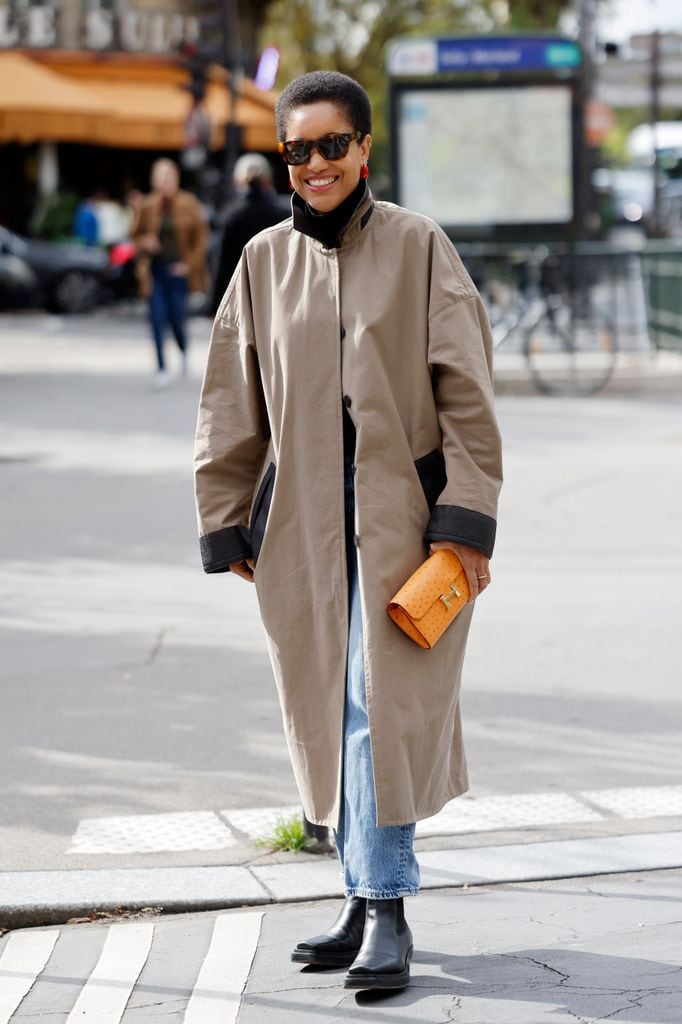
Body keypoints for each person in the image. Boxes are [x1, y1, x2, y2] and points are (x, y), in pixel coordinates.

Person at [194, 71, 503, 991]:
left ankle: (388, 907)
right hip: (299, 532)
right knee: (330, 708)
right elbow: (229, 400)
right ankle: (358, 895)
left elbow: (469, 398)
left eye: (334, 145)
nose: (317, 164)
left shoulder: (419, 249)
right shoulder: (261, 262)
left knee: (379, 711)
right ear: (284, 159)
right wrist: (226, 517)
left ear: (365, 149)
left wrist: (467, 521)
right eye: (299, 150)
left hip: (408, 530)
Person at [133, 159, 207, 389]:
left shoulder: (189, 203)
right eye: (161, 177)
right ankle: (162, 367)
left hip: (178, 271)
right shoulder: (147, 205)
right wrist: (146, 242)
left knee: (177, 319)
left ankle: (183, 349)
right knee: (156, 319)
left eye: (169, 177)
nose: (166, 182)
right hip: (155, 270)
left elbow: (200, 239)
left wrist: (189, 265)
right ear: (155, 181)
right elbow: (135, 235)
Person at [210, 153, 290, 315]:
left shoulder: (231, 214)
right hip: (277, 291)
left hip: (241, 291)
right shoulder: (284, 213)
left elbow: (221, 261)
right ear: (268, 180)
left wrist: (215, 303)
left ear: (238, 180)